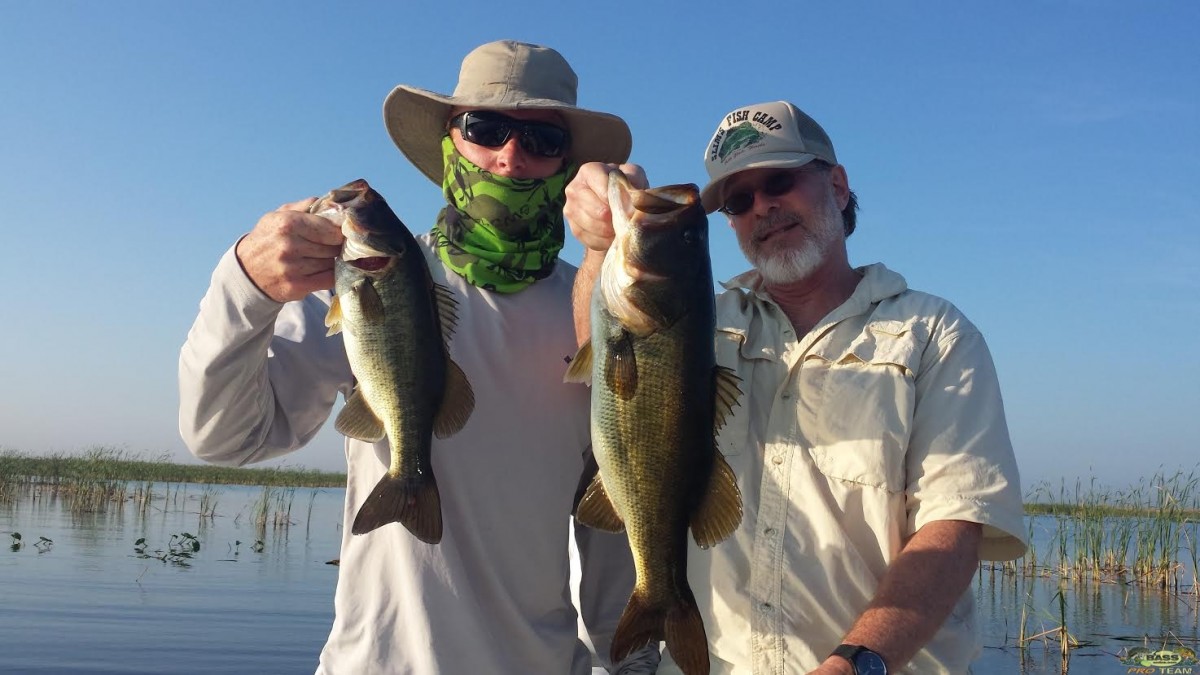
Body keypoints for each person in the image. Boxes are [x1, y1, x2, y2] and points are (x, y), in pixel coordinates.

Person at [179, 40, 660, 674]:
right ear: (449, 143)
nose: (510, 156)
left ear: (569, 167)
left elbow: (612, 516)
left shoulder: (596, 310)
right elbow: (226, 439)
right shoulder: (363, 281)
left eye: (541, 140)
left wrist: (631, 662)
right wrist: (243, 284)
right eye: (485, 129)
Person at [564, 100, 1028, 675]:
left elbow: (954, 528)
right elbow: (608, 364)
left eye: (779, 181)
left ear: (837, 185)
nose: (763, 208)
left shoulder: (933, 335)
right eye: (739, 200)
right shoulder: (699, 325)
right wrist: (599, 244)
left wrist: (855, 663)